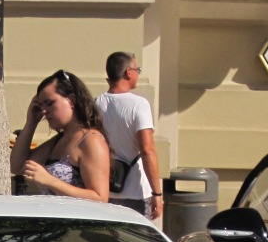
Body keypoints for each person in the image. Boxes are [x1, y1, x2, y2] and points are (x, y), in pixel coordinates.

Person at [10, 69, 110, 203]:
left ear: (71, 100)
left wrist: (50, 181)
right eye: (41, 106)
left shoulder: (91, 140)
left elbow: (100, 197)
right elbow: (18, 166)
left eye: (50, 103)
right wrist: (31, 122)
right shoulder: (59, 141)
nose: (44, 111)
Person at [95, 51, 163, 220]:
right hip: (136, 191)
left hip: (106, 188)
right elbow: (147, 149)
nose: (138, 74)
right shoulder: (139, 105)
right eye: (137, 69)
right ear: (128, 72)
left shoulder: (96, 104)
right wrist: (157, 192)